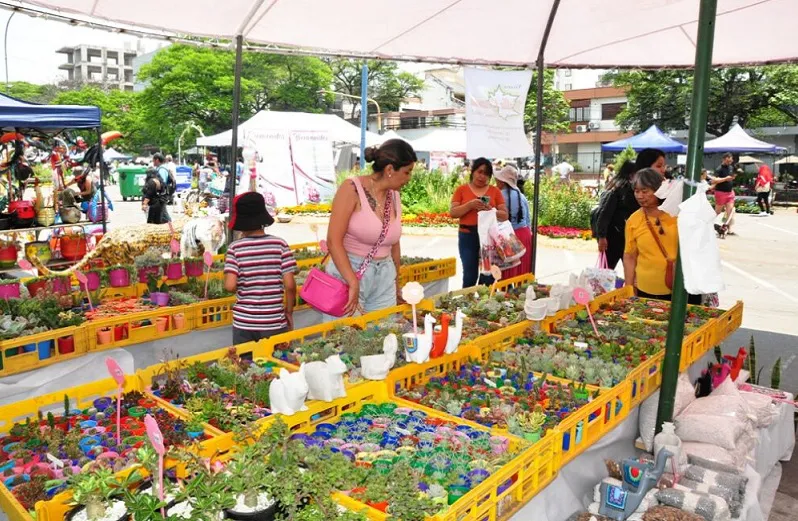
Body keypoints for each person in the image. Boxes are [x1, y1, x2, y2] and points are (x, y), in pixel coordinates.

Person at [327, 139, 417, 316]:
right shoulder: (351, 189)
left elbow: (394, 244)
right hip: (349, 272)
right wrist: (352, 281)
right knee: (346, 337)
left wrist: (395, 282)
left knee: (383, 334)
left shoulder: (394, 196)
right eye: (407, 172)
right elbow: (333, 241)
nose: (409, 178)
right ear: (390, 169)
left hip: (384, 275)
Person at [224, 192, 297, 345]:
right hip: (274, 322)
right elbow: (290, 286)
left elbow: (230, 286)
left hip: (244, 323)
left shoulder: (235, 249)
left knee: (245, 366)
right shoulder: (280, 245)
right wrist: (288, 312)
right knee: (275, 364)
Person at [623, 168, 701, 305]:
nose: (640, 196)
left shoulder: (678, 215)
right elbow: (630, 256)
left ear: (659, 190)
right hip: (646, 289)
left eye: (645, 191)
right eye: (636, 191)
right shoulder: (633, 221)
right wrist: (629, 287)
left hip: (681, 288)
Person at [450, 158, 509, 288]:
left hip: (489, 238)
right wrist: (470, 205)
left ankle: (485, 303)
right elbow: (453, 213)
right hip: (467, 236)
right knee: (470, 274)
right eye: (480, 172)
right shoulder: (462, 190)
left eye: (486, 174)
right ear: (473, 172)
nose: (482, 176)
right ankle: (468, 302)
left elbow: (505, 215)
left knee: (487, 275)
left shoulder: (495, 191)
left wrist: (491, 211)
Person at [595, 160, 639, 269]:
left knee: (606, 270)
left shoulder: (614, 184)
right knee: (630, 272)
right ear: (632, 174)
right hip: (619, 236)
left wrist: (602, 236)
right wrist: (602, 236)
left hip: (613, 235)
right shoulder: (623, 189)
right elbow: (605, 213)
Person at [494, 165, 532, 278]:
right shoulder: (521, 196)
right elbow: (528, 220)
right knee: (522, 274)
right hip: (525, 235)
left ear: (502, 181)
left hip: (508, 237)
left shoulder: (499, 196)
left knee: (506, 274)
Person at [710, 153, 736, 234]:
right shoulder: (719, 169)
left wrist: (733, 176)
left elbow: (732, 176)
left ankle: (728, 228)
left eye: (731, 161)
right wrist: (725, 179)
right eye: (728, 161)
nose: (729, 162)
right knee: (717, 212)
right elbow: (714, 180)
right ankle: (708, 224)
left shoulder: (731, 167)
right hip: (720, 193)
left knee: (730, 211)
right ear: (724, 159)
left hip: (730, 192)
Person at [152, 153, 173, 222]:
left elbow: (161, 183)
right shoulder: (160, 168)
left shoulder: (162, 169)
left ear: (157, 160)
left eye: (153, 160)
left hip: (161, 194)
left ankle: (172, 230)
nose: (153, 162)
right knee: (161, 213)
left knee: (164, 214)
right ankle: (170, 229)